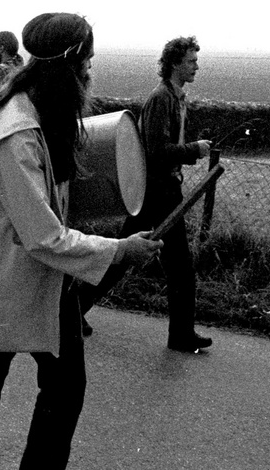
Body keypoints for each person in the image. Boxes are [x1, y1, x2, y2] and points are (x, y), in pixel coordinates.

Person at [0, 12, 159, 470]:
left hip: (46, 279)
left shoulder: (45, 112)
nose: (91, 72)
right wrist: (120, 248)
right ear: (69, 64)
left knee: (66, 387)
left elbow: (62, 202)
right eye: (88, 61)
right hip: (6, 277)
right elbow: (42, 234)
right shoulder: (14, 131)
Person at [77, 36, 214, 353]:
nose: (196, 66)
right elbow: (155, 151)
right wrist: (193, 149)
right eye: (191, 61)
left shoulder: (176, 97)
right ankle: (180, 336)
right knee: (179, 266)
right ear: (175, 63)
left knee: (122, 259)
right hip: (157, 191)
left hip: (162, 189)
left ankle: (72, 310)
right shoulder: (161, 99)